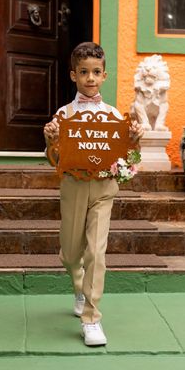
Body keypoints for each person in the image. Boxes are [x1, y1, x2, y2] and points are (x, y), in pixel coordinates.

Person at [43, 42, 144, 347]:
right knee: (72, 252)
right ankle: (77, 284)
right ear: (73, 75)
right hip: (73, 187)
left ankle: (92, 317)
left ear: (105, 75)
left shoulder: (114, 116)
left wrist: (135, 142)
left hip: (103, 188)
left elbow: (130, 160)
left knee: (96, 253)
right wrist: (51, 142)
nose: (90, 78)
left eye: (96, 72)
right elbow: (54, 161)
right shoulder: (64, 115)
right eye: (84, 72)